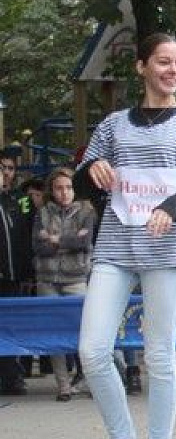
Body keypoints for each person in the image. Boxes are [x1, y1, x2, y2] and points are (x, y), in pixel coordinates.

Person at [74, 33, 176, 439]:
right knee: (93, 350)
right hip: (117, 249)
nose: (173, 70)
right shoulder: (114, 125)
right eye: (163, 62)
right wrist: (90, 173)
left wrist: (170, 209)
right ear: (142, 67)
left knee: (159, 354)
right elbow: (84, 182)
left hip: (169, 249)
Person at [31, 168, 96, 401]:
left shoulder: (86, 211)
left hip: (76, 277)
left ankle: (88, 378)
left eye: (68, 187)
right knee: (53, 333)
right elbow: (39, 247)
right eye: (59, 188)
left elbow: (84, 242)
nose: (64, 192)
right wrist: (70, 240)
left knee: (84, 331)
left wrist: (55, 238)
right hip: (48, 279)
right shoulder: (42, 212)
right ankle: (63, 385)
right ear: (52, 190)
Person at [0, 152, 32, 394]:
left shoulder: (18, 200)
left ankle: (12, 377)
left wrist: (27, 272)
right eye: (2, 169)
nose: (6, 174)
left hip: (13, 276)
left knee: (11, 327)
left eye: (9, 169)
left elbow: (25, 236)